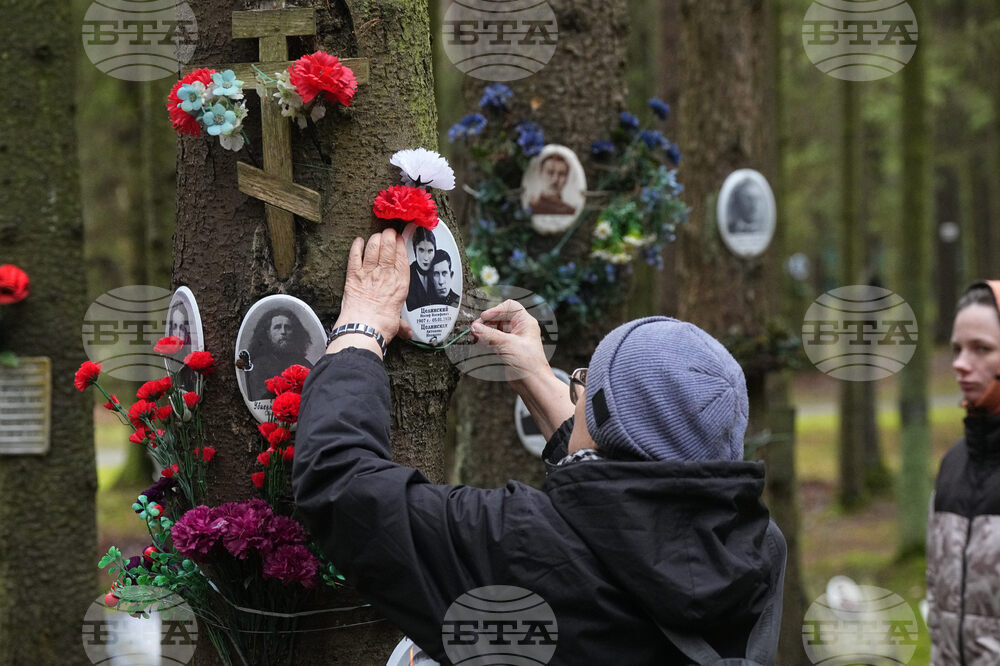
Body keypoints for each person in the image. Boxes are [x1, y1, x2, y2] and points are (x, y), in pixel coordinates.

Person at [291, 229, 785, 664]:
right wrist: (535, 377)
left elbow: (341, 484)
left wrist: (362, 327)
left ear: (600, 416)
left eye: (588, 383)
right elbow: (636, 496)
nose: (576, 389)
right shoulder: (757, 547)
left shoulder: (526, 546)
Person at [926, 280, 1000, 665]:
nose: (959, 362)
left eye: (981, 349)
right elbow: (936, 602)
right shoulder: (952, 465)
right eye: (956, 349)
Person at [245, 308, 315, 401]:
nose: (283, 332)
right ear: (268, 333)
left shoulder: (304, 365)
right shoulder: (258, 365)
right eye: (277, 327)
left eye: (288, 327)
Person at [406, 226, 436, 312]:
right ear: (415, 250)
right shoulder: (407, 274)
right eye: (421, 250)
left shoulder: (439, 273)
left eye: (430, 251)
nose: (426, 258)